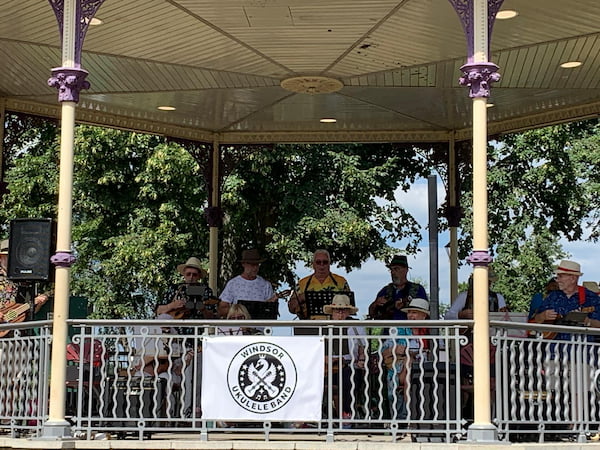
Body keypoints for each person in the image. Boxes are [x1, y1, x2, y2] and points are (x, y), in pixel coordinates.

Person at [381, 297, 431, 420]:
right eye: (409, 312)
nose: (410, 315)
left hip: (425, 369)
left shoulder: (430, 331)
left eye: (414, 312)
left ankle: (408, 415)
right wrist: (395, 349)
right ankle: (409, 416)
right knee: (409, 365)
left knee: (412, 368)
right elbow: (383, 351)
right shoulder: (399, 329)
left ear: (423, 316)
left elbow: (439, 350)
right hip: (399, 369)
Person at [532, 260, 600, 335]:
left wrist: (587, 321)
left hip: (581, 345)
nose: (557, 280)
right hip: (554, 344)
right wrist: (543, 315)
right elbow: (536, 319)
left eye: (560, 276)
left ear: (573, 279)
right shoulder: (552, 296)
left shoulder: (591, 298)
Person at [288, 249, 350, 320]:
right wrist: (302, 297)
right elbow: (291, 308)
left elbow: (350, 306)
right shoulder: (302, 283)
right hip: (308, 325)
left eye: (325, 262)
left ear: (329, 264)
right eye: (318, 262)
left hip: (335, 325)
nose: (322, 265)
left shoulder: (341, 281)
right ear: (313, 264)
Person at [0, 239, 51, 324]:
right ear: (1, 259)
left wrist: (38, 303)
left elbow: (28, 313)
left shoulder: (25, 281)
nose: (11, 261)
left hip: (17, 333)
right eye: (7, 257)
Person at [368, 255, 427, 321]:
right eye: (391, 270)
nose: (393, 272)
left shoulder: (417, 289)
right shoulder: (385, 290)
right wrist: (375, 304)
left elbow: (424, 312)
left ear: (406, 270)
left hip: (411, 329)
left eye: (396, 269)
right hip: (389, 330)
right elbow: (371, 314)